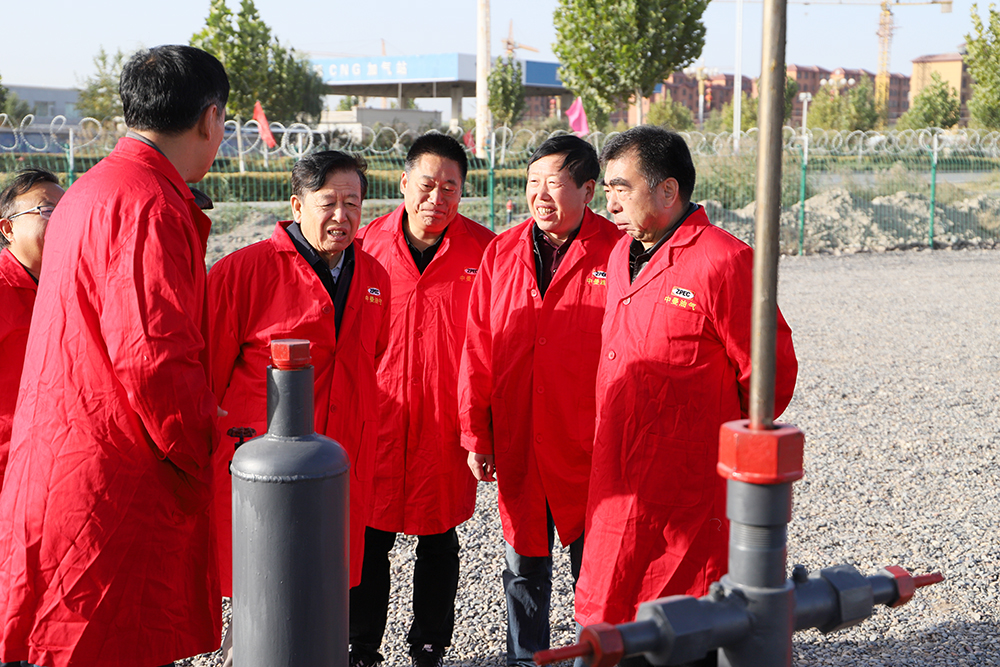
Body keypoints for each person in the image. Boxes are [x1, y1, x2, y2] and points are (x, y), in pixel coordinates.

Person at [0, 45, 229, 667]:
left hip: (66, 456)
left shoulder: (89, 190)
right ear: (209, 118)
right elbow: (155, 358)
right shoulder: (150, 203)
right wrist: (209, 445)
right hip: (116, 478)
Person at [573, 126, 798, 666]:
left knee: (683, 623)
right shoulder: (620, 254)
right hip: (618, 469)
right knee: (613, 609)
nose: (610, 203)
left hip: (687, 483)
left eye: (622, 189)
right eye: (608, 189)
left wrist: (701, 431)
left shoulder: (723, 261)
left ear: (668, 190)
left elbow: (769, 376)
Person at [208, 151, 390, 658]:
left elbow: (374, 354)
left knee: (325, 583)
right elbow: (208, 373)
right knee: (262, 584)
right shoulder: (244, 272)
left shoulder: (374, 276)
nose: (341, 216)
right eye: (328, 202)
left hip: (341, 455)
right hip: (264, 465)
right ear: (296, 205)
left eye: (352, 203)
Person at [458, 135, 622, 667]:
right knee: (524, 563)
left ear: (588, 190)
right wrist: (476, 434)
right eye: (533, 183)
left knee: (594, 566)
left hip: (589, 443)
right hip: (520, 435)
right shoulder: (501, 251)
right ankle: (525, 658)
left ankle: (593, 656)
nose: (540, 195)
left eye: (554, 183)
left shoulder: (618, 251)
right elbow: (478, 348)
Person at [350, 133, 495, 667]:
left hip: (445, 421)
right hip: (379, 417)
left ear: (463, 191)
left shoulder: (486, 251)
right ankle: (361, 646)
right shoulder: (365, 245)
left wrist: (483, 426)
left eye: (450, 187)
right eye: (427, 184)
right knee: (369, 538)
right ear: (404, 183)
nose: (437, 198)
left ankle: (429, 646)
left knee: (440, 539)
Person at [0, 168, 64, 483]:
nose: (60, 221)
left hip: (53, 462)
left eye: (65, 211)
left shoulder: (69, 287)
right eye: (47, 211)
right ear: (8, 228)